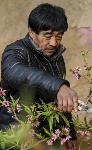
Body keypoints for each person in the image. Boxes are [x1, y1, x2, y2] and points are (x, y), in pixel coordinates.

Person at [0, 3, 78, 150]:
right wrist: (59, 86)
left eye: (59, 37)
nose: (54, 43)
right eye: (47, 36)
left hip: (45, 139)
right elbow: (14, 71)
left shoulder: (57, 58)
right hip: (17, 139)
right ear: (31, 31)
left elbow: (61, 102)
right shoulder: (16, 51)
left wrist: (69, 133)